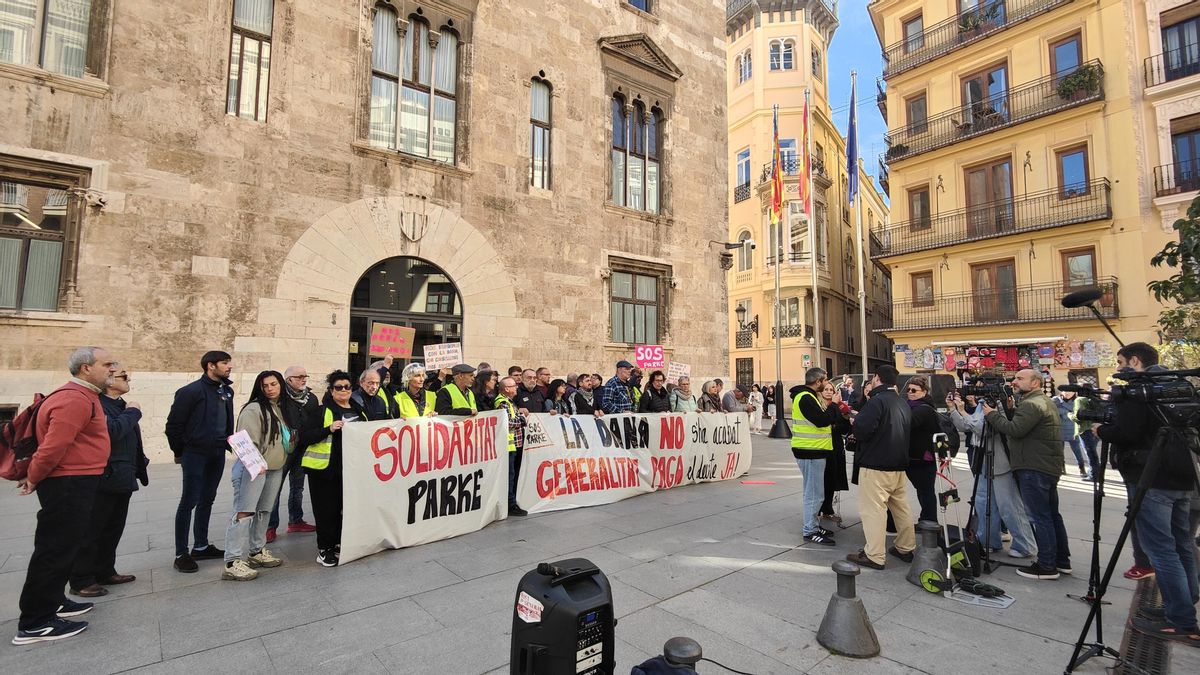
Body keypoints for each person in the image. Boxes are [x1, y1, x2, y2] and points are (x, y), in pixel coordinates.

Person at [12, 347, 116, 645]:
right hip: (68, 483)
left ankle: (53, 601)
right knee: (54, 549)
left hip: (76, 481)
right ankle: (35, 622)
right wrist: (33, 477)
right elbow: (53, 446)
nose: (112, 369)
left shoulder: (83, 396)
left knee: (64, 547)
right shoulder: (74, 399)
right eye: (107, 364)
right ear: (86, 368)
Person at [1098, 343, 1199, 642]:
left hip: (1151, 475)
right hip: (1182, 476)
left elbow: (1126, 432)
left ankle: (1180, 620)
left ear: (1135, 360)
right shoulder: (1178, 387)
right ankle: (1181, 605)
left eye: (1120, 362)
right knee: (1181, 544)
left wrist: (1101, 431)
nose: (1118, 369)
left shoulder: (1140, 391)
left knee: (1161, 549)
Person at [69, 364, 147, 598]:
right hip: (103, 477)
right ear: (110, 381)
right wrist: (133, 412)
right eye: (124, 376)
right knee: (93, 529)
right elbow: (111, 431)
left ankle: (105, 570)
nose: (128, 378)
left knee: (113, 528)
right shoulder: (99, 405)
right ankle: (81, 579)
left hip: (122, 476)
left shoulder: (121, 406)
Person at [983, 368, 1069, 581]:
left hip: (1034, 467)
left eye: (1020, 378)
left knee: (1040, 517)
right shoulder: (1040, 401)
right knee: (1051, 515)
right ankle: (1060, 560)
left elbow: (1015, 430)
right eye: (1015, 378)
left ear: (1035, 383)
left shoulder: (1032, 404)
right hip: (1044, 465)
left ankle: (1047, 565)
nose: (1014, 382)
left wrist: (991, 414)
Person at [165, 350, 234, 573]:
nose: (229, 366)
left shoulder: (227, 390)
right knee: (189, 501)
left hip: (217, 452)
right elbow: (173, 426)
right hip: (195, 453)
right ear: (210, 366)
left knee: (208, 499)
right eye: (224, 363)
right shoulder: (190, 391)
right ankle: (181, 553)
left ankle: (201, 546)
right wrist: (181, 451)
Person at [948, 391, 1037, 560]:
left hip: (1001, 462)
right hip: (983, 460)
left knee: (1009, 506)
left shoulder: (999, 404)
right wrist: (954, 410)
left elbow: (982, 429)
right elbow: (966, 427)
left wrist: (964, 411)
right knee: (983, 503)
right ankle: (988, 540)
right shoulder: (983, 403)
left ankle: (1025, 545)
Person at [222, 371, 292, 581]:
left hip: (274, 467)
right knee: (244, 512)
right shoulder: (254, 409)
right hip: (254, 469)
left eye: (274, 384)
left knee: (263, 511)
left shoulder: (279, 408)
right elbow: (245, 441)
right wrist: (255, 463)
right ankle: (232, 561)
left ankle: (256, 550)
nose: (270, 388)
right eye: (265, 385)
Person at [846, 365, 916, 570]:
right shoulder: (901, 402)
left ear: (877, 378)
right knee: (901, 507)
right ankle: (905, 547)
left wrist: (855, 421)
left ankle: (875, 554)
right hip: (898, 464)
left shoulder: (877, 401)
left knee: (873, 510)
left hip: (876, 464)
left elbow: (862, 430)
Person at [301, 371, 364, 567]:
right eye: (338, 387)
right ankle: (324, 549)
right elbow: (306, 437)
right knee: (325, 511)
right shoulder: (322, 411)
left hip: (349, 469)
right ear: (331, 390)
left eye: (346, 387)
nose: (343, 390)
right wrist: (328, 429)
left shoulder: (358, 409)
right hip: (324, 470)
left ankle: (337, 542)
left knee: (341, 509)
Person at [791, 368, 844, 546]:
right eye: (825, 380)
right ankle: (810, 531)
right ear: (819, 381)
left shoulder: (809, 396)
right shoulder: (805, 397)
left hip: (814, 450)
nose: (827, 383)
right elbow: (821, 420)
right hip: (810, 451)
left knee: (814, 493)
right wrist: (834, 405)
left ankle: (813, 524)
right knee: (814, 495)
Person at [267, 365, 319, 543]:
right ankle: (270, 526)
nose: (304, 379)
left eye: (306, 376)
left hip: (303, 448)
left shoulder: (311, 398)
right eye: (299, 376)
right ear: (288, 380)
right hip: (282, 450)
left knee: (297, 487)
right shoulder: (279, 398)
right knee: (275, 488)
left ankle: (295, 520)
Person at [903, 376, 940, 524]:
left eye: (914, 390)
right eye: (908, 390)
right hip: (915, 457)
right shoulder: (912, 406)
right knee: (923, 491)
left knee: (926, 492)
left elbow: (908, 422)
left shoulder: (923, 409)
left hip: (923, 458)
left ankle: (929, 522)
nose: (910, 393)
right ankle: (926, 520)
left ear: (924, 392)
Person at [818, 381, 851, 524]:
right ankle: (819, 508)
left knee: (833, 478)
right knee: (822, 479)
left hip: (836, 445)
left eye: (831, 389)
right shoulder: (819, 406)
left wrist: (844, 418)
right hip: (822, 446)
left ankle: (828, 509)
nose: (829, 392)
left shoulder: (838, 407)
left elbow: (844, 428)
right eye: (825, 389)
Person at [494, 376, 527, 516]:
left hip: (513, 444)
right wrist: (522, 419)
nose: (516, 387)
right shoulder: (503, 403)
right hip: (508, 446)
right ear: (506, 389)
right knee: (509, 476)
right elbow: (508, 422)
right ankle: (510, 505)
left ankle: (512, 502)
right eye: (513, 385)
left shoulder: (509, 402)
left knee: (513, 475)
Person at [1054, 390, 1089, 479]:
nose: (1067, 393)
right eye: (1065, 391)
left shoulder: (1077, 401)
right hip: (1059, 429)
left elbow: (1077, 414)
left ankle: (1081, 468)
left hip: (1073, 429)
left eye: (1070, 391)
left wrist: (1062, 412)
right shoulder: (1055, 400)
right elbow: (1052, 411)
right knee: (1059, 451)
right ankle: (1061, 467)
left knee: (1077, 450)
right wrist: (1067, 413)